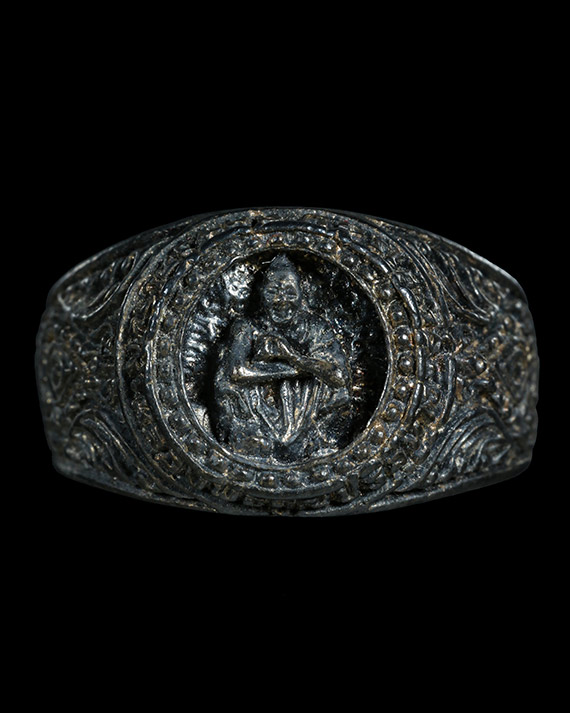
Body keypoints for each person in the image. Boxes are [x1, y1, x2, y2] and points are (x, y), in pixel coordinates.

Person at [214, 255, 352, 461]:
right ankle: (254, 440)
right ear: (261, 295)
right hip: (257, 410)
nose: (281, 300)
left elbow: (339, 377)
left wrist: (292, 357)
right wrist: (293, 370)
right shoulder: (246, 327)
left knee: (329, 383)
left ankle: (309, 442)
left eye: (290, 292)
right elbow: (237, 372)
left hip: (304, 410)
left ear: (301, 295)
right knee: (226, 382)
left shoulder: (316, 328)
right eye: (272, 292)